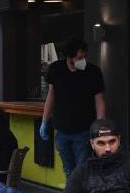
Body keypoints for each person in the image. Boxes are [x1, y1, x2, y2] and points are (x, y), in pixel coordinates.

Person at [40, 37, 106, 177]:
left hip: (84, 129)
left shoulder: (93, 72)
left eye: (83, 57)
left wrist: (100, 125)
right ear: (68, 58)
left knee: (82, 168)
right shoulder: (56, 69)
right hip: (61, 128)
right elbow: (51, 96)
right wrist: (44, 121)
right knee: (68, 169)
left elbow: (99, 100)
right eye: (77, 58)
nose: (81, 61)